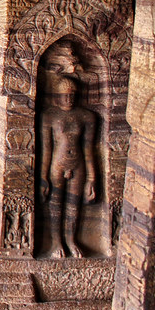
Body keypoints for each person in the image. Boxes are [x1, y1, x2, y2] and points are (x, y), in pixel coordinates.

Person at [38, 76, 96, 258]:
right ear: (57, 96)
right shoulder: (50, 116)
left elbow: (88, 149)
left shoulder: (86, 116)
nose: (69, 99)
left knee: (73, 205)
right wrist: (43, 178)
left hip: (78, 165)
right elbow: (46, 149)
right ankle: (56, 242)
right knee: (56, 206)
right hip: (57, 165)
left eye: (72, 95)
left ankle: (71, 240)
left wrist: (92, 179)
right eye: (64, 95)